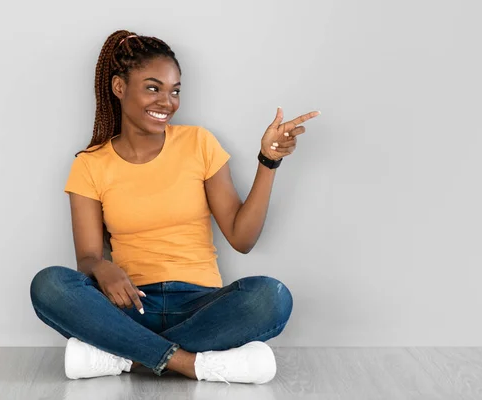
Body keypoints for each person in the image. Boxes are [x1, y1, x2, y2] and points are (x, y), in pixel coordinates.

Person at [29, 29, 320, 384]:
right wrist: (101, 268)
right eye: (153, 88)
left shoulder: (199, 143)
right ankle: (192, 364)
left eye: (175, 90)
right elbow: (88, 258)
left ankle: (126, 358)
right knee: (49, 285)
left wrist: (268, 162)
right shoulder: (90, 164)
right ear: (119, 88)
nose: (167, 102)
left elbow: (242, 238)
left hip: (202, 306)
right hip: (129, 307)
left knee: (270, 297)